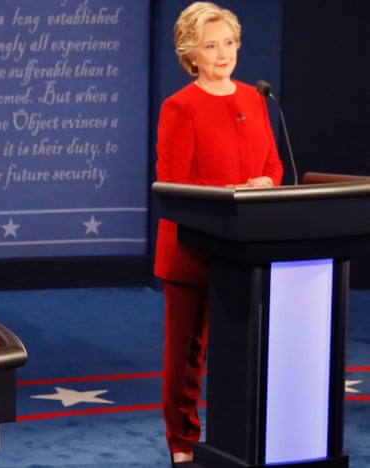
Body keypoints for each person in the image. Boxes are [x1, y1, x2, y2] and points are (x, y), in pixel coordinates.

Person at [153, 2, 283, 465]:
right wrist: (232, 191)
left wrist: (265, 182)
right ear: (192, 54)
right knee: (187, 358)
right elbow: (173, 183)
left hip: (245, 251)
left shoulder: (255, 98)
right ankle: (182, 444)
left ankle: (240, 439)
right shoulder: (179, 107)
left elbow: (273, 165)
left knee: (242, 351)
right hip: (192, 249)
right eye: (211, 46)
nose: (223, 53)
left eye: (229, 43)